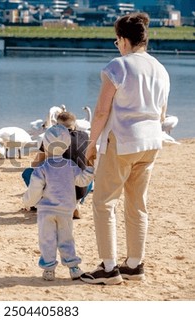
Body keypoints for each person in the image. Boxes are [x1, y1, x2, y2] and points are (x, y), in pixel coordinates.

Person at [80, 13, 170, 285]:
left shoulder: (118, 66)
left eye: (116, 40)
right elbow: (163, 114)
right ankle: (134, 264)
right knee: (137, 203)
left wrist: (91, 143)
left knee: (104, 202)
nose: (117, 45)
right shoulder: (161, 69)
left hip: (121, 141)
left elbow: (100, 112)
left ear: (123, 40)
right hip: (151, 142)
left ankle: (108, 268)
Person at [22, 124, 94, 281]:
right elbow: (82, 181)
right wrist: (90, 170)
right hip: (66, 210)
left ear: (46, 145)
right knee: (66, 238)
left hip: (46, 212)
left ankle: (49, 269)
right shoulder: (71, 166)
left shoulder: (42, 168)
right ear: (66, 145)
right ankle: (73, 267)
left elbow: (35, 189)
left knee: (47, 240)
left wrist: (27, 201)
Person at [21, 111, 92, 219]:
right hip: (80, 189)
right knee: (88, 178)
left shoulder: (51, 138)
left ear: (57, 126)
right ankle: (76, 202)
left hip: (58, 192)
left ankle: (42, 203)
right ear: (74, 125)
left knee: (28, 173)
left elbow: (36, 163)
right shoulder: (85, 136)